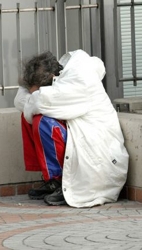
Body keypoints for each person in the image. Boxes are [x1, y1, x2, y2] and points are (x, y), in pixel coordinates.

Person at [14, 50, 129, 208]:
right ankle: (53, 181)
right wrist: (34, 97)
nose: (36, 94)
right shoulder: (59, 78)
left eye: (39, 90)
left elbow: (38, 102)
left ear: (52, 80)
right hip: (80, 140)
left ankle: (61, 181)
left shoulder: (79, 80)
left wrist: (35, 98)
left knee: (42, 121)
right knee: (28, 117)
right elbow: (21, 99)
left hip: (99, 156)